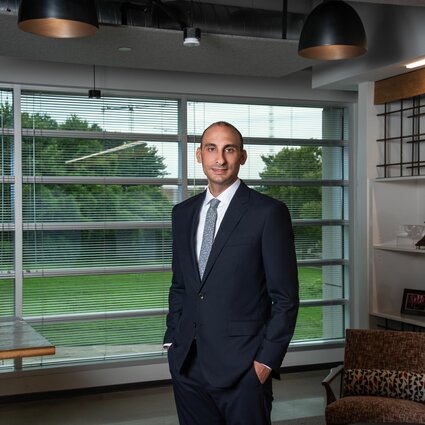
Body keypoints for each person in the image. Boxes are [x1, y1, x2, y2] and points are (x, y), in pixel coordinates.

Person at [164, 121, 299, 425]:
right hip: (187, 366)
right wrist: (172, 342)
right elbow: (181, 286)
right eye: (211, 149)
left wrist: (265, 363)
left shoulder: (268, 213)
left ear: (243, 156)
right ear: (199, 155)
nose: (220, 159)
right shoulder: (182, 213)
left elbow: (285, 298)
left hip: (244, 370)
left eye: (229, 150)